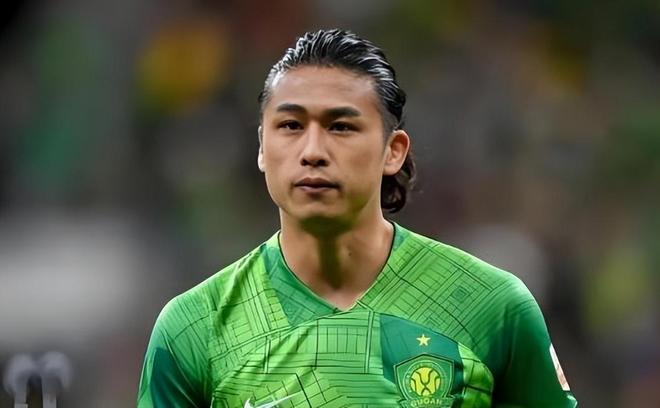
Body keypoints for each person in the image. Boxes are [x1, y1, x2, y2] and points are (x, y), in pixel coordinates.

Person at [137, 29, 578, 408]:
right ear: (261, 148)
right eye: (290, 126)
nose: (312, 151)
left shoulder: (492, 307)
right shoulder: (194, 328)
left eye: (341, 127)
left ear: (393, 151)